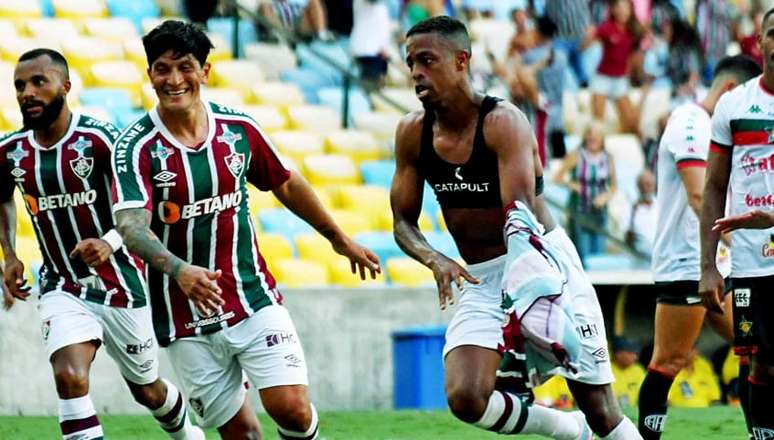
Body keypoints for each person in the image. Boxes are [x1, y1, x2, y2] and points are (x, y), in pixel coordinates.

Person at [111, 20, 380, 440]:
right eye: (162, 69)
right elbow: (131, 227)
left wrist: (339, 239)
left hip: (251, 296)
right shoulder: (136, 147)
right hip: (184, 317)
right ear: (150, 76)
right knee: (243, 436)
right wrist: (181, 270)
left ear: (205, 72)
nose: (174, 79)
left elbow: (286, 181)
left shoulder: (238, 130)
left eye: (185, 67)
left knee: (291, 409)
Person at [391, 15, 640, 439]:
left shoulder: (502, 122)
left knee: (601, 411)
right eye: (411, 61)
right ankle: (563, 428)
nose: (416, 72)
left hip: (541, 261)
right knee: (466, 397)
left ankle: (574, 414)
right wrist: (435, 258)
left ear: (461, 61)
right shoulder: (412, 133)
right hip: (483, 276)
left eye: (427, 60)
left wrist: (528, 300)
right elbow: (402, 223)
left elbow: (519, 216)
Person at [0, 48, 203, 440]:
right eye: (20, 85)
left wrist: (111, 241)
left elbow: (145, 203)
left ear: (65, 86)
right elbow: (1, 196)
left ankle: (186, 435)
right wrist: (9, 256)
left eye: (39, 82)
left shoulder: (102, 140)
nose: (27, 92)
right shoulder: (11, 151)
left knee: (147, 389)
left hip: (124, 286)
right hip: (64, 286)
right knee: (69, 376)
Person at [642, 54, 761, 440]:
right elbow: (698, 196)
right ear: (729, 90)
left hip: (720, 264)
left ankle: (761, 433)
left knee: (755, 348)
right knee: (669, 360)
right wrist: (738, 241)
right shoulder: (691, 123)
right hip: (687, 265)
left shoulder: (718, 130)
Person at [701, 9, 774, 439]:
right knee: (758, 360)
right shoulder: (734, 104)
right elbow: (713, 187)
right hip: (749, 262)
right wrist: (708, 266)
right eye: (772, 33)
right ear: (759, 42)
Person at [553, 121, 617, 266]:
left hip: (599, 213)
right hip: (579, 211)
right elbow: (557, 177)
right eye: (589, 135)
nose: (592, 139)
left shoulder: (608, 158)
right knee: (582, 254)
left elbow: (613, 187)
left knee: (598, 256)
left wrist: (605, 196)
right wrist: (572, 184)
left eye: (596, 136)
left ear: (602, 139)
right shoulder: (577, 155)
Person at [583, 0, 645, 134]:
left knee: (630, 121)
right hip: (602, 79)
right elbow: (585, 46)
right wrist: (588, 37)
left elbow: (634, 56)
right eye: (619, 7)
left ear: (630, 10)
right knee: (598, 122)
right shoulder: (606, 28)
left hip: (620, 80)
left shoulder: (633, 30)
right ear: (613, 10)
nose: (622, 10)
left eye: (625, 7)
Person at [625, 170, 656, 257]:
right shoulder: (631, 209)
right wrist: (633, 213)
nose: (646, 188)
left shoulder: (661, 207)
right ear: (638, 187)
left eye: (649, 185)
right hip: (639, 258)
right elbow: (627, 239)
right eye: (643, 185)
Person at [610, 336, 645, 409]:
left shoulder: (638, 370)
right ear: (618, 353)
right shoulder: (606, 370)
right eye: (630, 353)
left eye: (636, 353)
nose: (635, 357)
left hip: (634, 414)